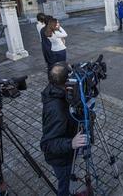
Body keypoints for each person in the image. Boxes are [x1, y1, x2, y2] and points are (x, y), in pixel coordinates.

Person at [40, 63, 88, 196]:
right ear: (67, 81)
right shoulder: (56, 110)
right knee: (64, 186)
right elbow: (46, 144)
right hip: (61, 160)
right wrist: (71, 143)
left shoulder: (57, 90)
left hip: (67, 152)